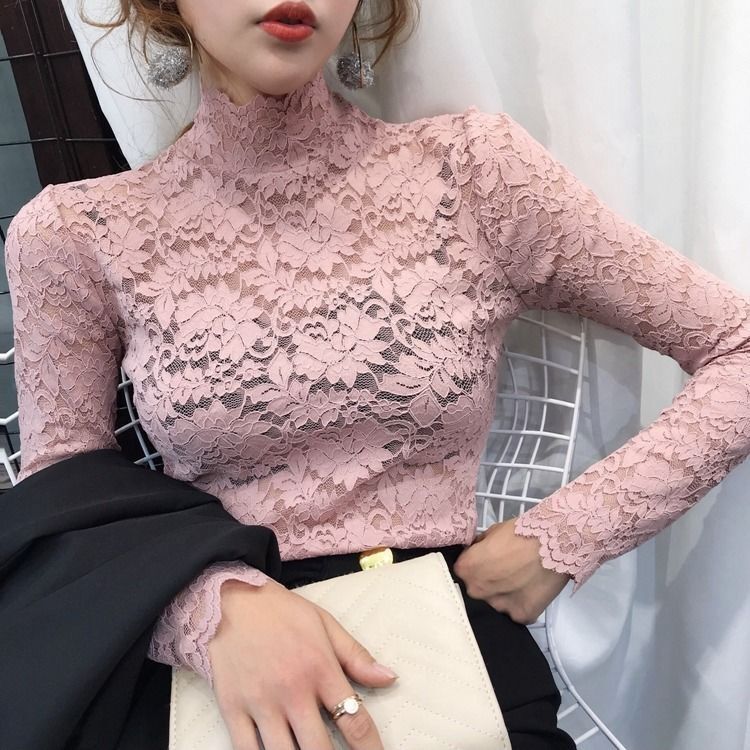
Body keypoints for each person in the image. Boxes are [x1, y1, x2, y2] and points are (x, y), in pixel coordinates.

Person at [6, 0, 750, 748]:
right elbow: (64, 498)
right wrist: (209, 611)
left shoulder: (470, 173)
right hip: (227, 686)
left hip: (452, 664)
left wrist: (565, 536)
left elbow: (738, 346)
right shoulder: (77, 234)